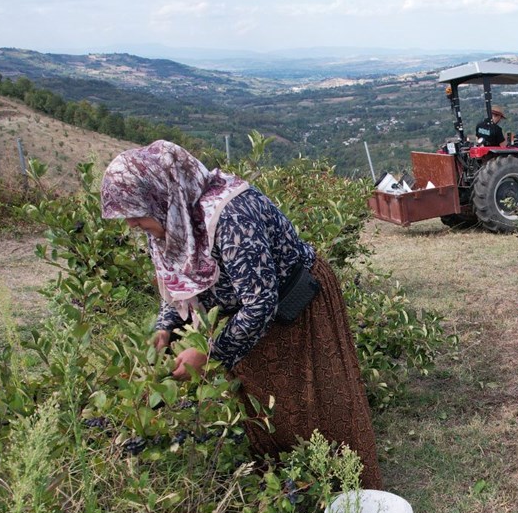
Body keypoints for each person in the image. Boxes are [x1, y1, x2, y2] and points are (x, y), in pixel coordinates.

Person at [100, 140, 382, 488]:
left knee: (318, 403)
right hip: (244, 324)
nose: (130, 223)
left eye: (135, 212)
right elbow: (178, 280)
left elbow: (260, 303)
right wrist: (166, 326)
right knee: (269, 409)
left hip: (296, 309)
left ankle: (349, 492)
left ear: (161, 196)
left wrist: (208, 353)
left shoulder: (231, 215)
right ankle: (293, 492)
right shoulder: (171, 221)